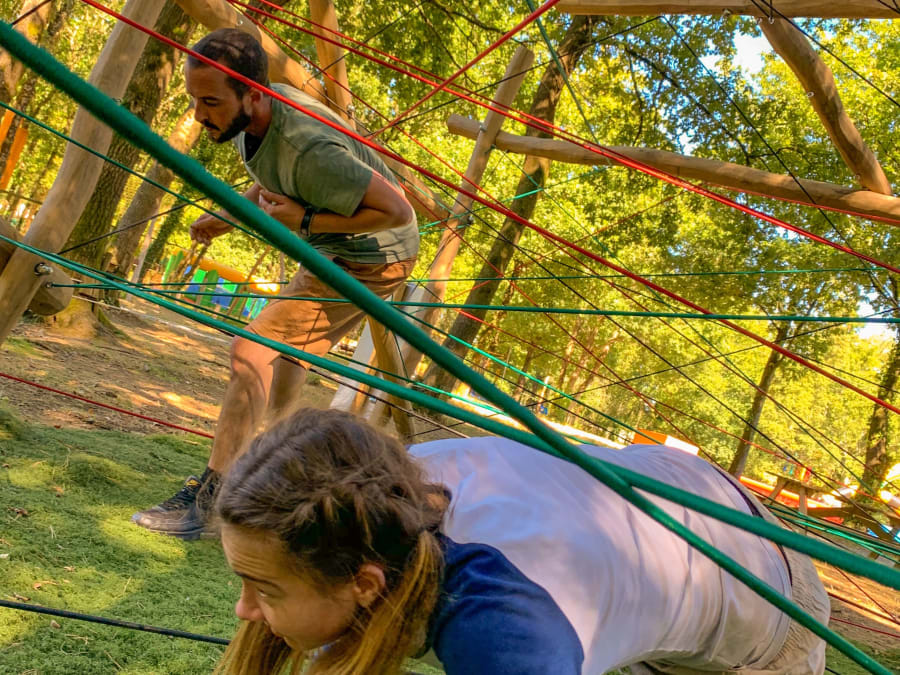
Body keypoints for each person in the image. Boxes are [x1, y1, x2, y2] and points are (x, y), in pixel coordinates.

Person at [213, 408, 829, 675]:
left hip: (759, 582)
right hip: (662, 497)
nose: (243, 609)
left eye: (262, 589)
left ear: (366, 584)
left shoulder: (511, 632)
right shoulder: (364, 490)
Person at [132, 28, 419, 539]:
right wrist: (231, 214)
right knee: (287, 356)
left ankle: (212, 501)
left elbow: (397, 212)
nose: (200, 115)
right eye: (194, 100)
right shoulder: (255, 123)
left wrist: (306, 222)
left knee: (252, 350)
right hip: (334, 248)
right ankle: (279, 477)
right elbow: (273, 173)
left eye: (211, 101)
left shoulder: (311, 147)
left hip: (372, 259)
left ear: (254, 94)